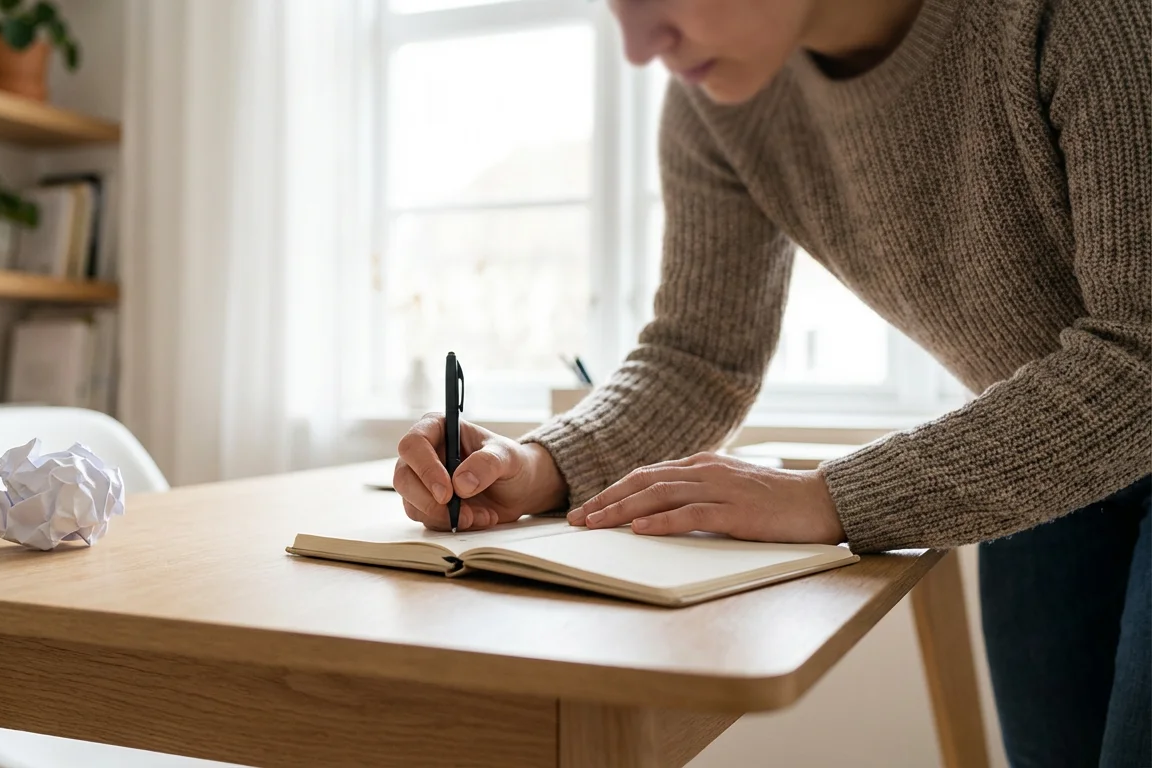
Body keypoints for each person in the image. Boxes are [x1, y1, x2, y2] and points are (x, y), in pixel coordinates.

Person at [391, 0, 1150, 765]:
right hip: (1050, 465)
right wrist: (537, 466)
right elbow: (700, 356)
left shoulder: (1087, 17)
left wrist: (828, 499)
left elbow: (1142, 354)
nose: (638, 45)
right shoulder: (716, 99)